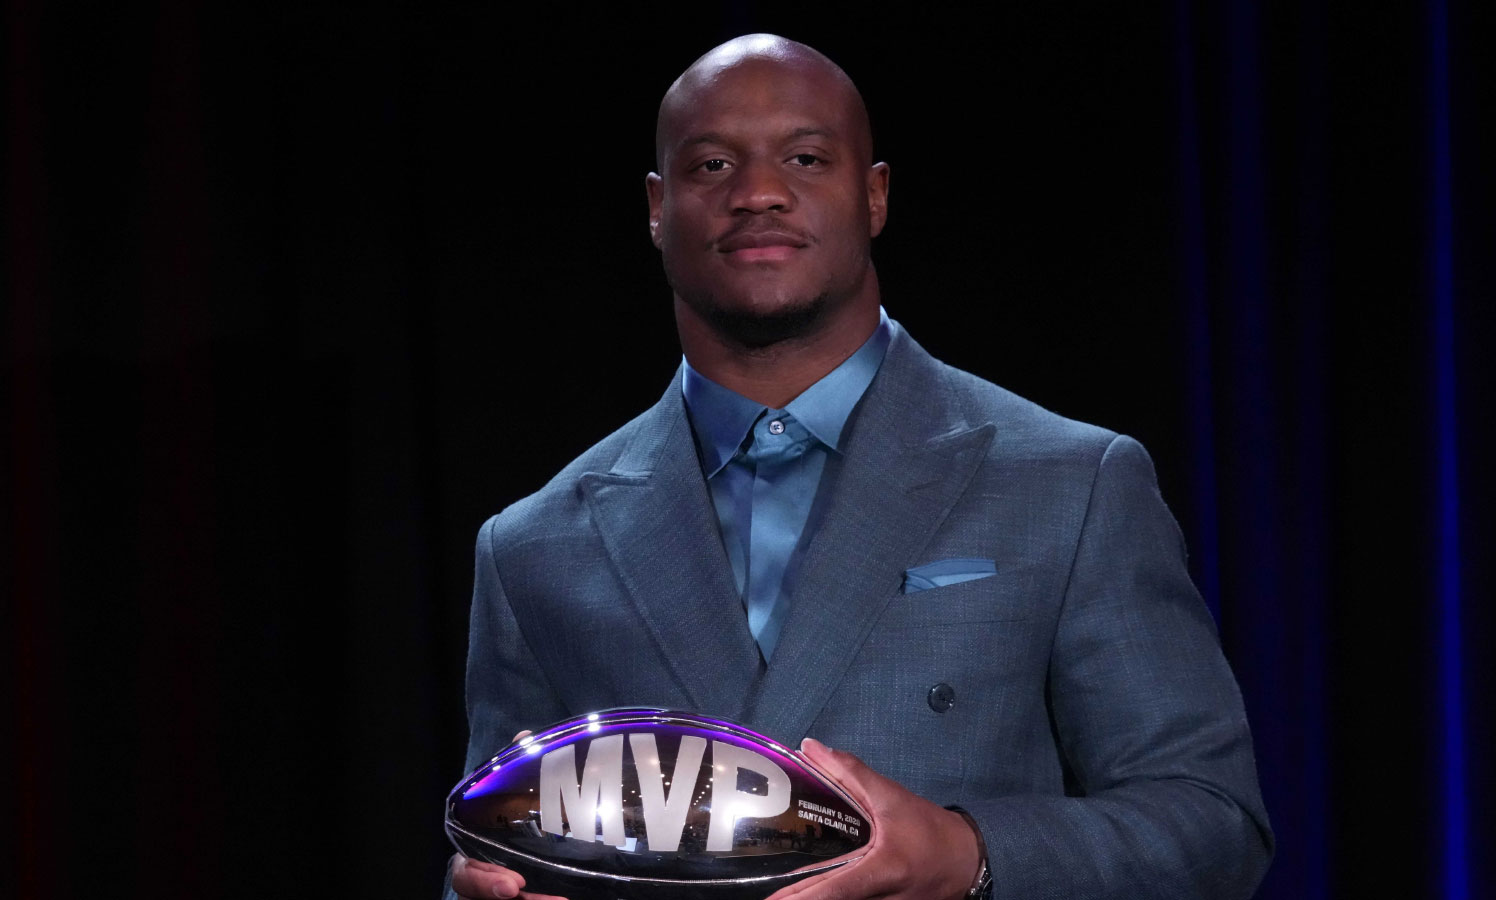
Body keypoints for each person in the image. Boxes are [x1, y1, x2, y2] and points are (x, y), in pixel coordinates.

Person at [449, 34, 1272, 900]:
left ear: (874, 194)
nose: (758, 193)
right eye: (713, 165)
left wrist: (965, 854)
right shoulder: (534, 547)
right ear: (656, 208)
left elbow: (1214, 822)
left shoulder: (1073, 484)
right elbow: (493, 843)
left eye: (805, 158)